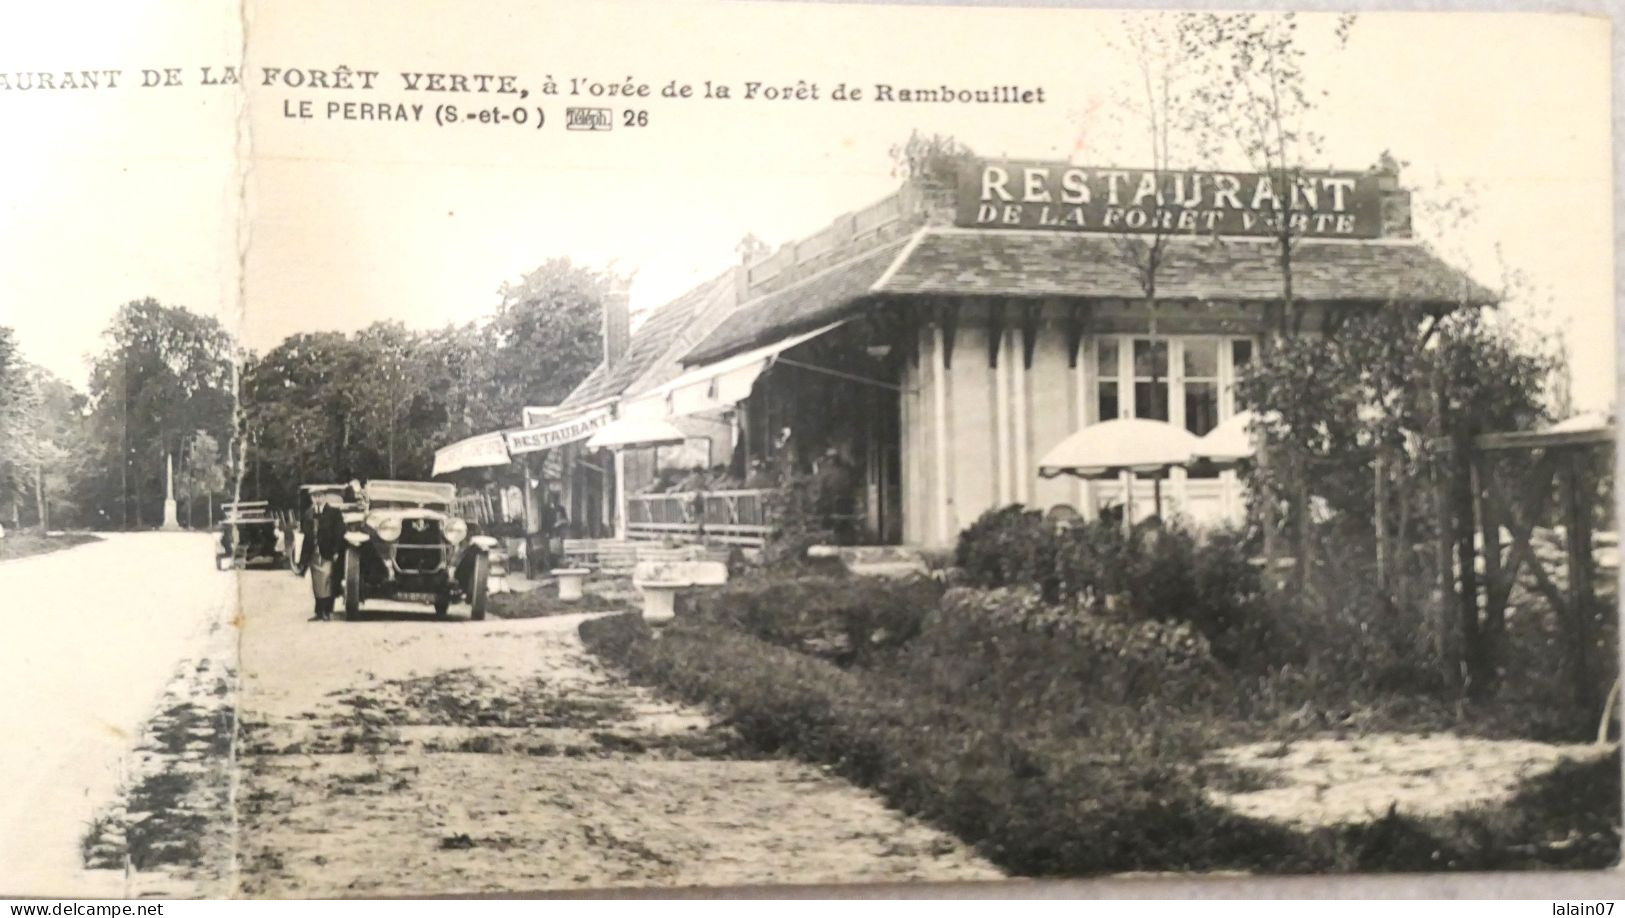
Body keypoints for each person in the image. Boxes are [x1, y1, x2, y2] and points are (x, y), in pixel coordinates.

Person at [303, 493, 347, 621]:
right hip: (313, 553)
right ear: (311, 498)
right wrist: (304, 556)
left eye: (320, 496)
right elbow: (306, 534)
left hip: (327, 552)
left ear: (324, 497)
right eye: (314, 496)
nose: (317, 499)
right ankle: (318, 611)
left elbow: (340, 533)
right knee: (317, 582)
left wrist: (336, 551)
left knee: (327, 580)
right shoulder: (308, 514)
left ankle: (327, 611)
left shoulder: (334, 513)